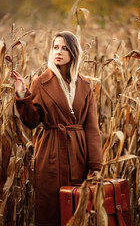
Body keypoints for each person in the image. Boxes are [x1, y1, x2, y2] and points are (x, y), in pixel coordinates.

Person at [10, 31, 102, 226]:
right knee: (50, 209)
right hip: (50, 155)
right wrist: (21, 93)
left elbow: (92, 128)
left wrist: (95, 166)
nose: (58, 52)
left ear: (74, 52)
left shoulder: (85, 85)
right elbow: (32, 121)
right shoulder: (40, 83)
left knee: (79, 208)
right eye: (55, 47)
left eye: (64, 48)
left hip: (79, 153)